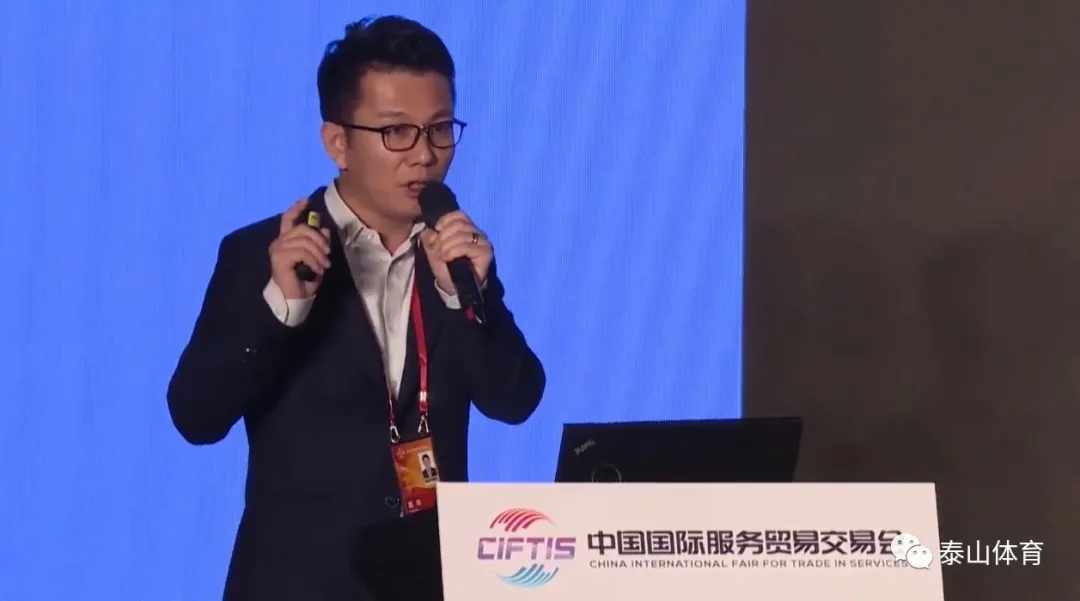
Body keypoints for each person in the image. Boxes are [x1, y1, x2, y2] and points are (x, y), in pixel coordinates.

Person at [166, 15, 546, 601]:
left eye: (440, 129)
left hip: (432, 582)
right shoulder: (262, 253)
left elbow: (514, 400)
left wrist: (462, 298)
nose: (425, 155)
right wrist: (281, 308)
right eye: (397, 132)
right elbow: (196, 416)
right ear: (337, 143)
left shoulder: (455, 251)